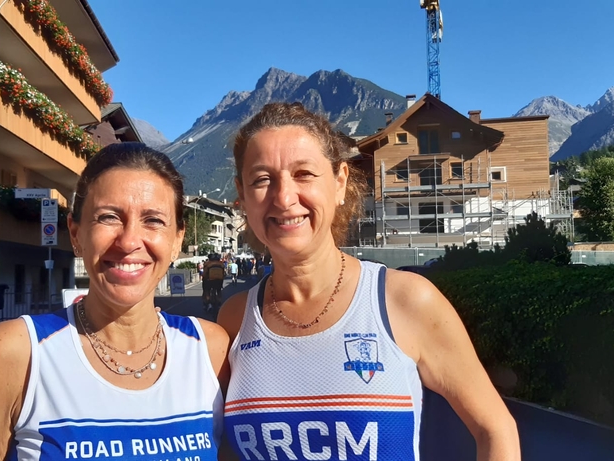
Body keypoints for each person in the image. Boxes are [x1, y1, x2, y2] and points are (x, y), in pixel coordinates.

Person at [216, 102, 520, 460]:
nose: (284, 198)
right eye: (262, 179)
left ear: (339, 182)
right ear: (243, 196)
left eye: (303, 174)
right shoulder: (234, 320)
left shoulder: (403, 301)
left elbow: (495, 429)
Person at [0, 143, 229, 460]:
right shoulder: (16, 352)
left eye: (153, 220)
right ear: (76, 233)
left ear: (177, 239)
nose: (128, 242)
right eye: (109, 217)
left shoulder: (211, 349)